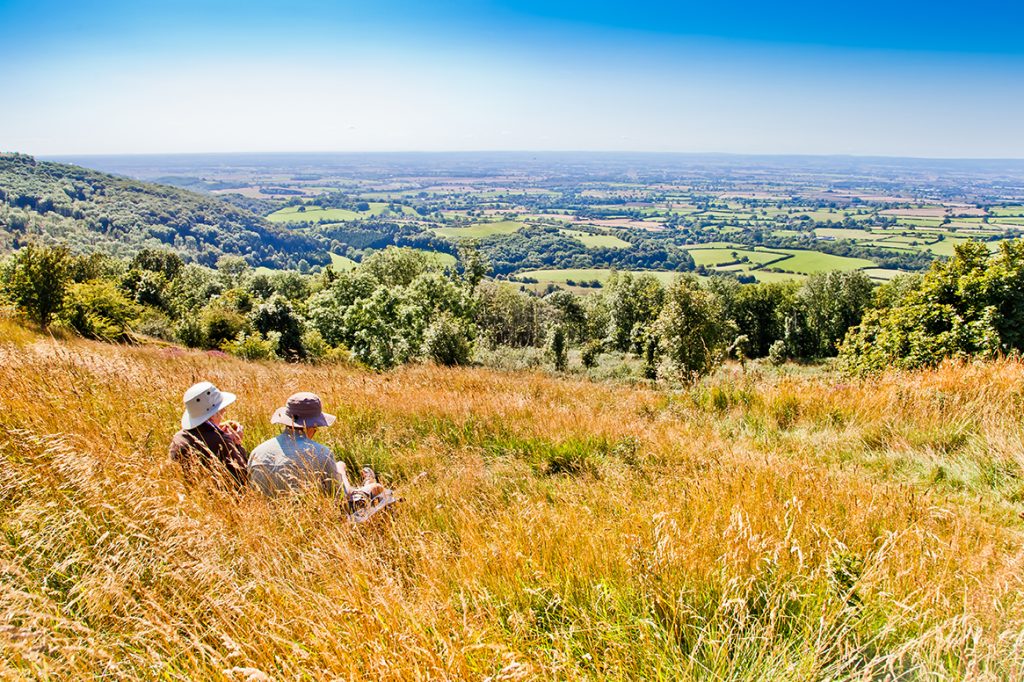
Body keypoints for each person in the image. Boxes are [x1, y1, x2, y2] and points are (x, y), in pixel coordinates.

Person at [248, 392, 383, 501]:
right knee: (372, 485)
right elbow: (338, 495)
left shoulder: (257, 451)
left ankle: (361, 480)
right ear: (314, 425)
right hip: (307, 515)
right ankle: (367, 485)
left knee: (340, 464)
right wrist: (341, 474)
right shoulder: (321, 452)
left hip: (268, 516)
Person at [169, 381, 249, 489]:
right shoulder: (221, 441)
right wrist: (237, 444)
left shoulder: (178, 437)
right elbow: (244, 478)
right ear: (212, 415)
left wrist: (217, 431)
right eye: (221, 410)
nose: (224, 410)